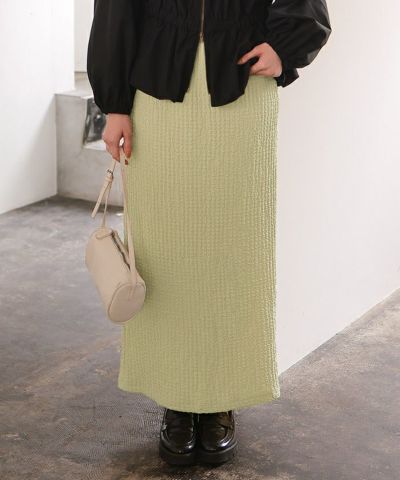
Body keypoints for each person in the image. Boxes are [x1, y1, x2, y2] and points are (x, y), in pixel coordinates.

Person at [87, 0, 331, 466]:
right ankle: (176, 399)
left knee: (235, 250)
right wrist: (114, 104)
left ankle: (222, 397)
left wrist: (285, 45)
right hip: (155, 91)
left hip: (243, 85)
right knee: (164, 253)